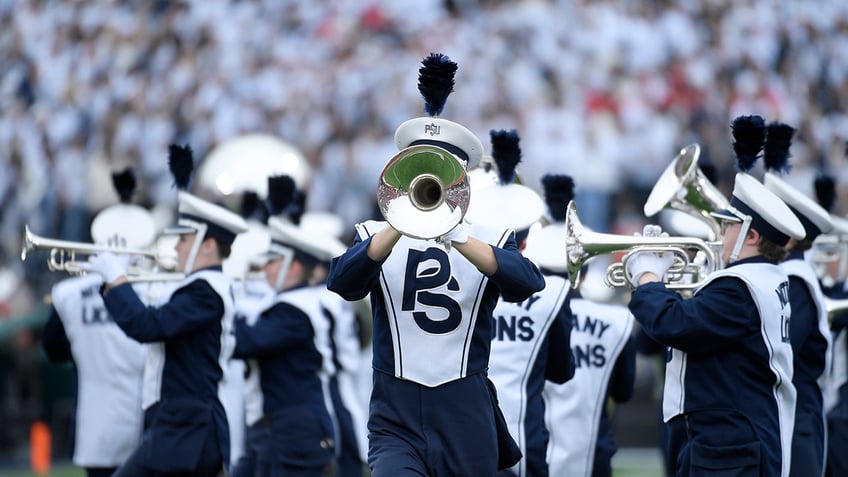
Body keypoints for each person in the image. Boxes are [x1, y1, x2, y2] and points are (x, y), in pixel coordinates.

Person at [326, 53, 545, 477]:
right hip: (396, 414)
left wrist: (458, 234)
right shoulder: (374, 231)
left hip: (465, 411)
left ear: (461, 178)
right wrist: (399, 220)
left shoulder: (491, 236)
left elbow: (526, 283)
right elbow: (342, 282)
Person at [626, 165, 805, 476]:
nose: (720, 233)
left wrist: (647, 276)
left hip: (730, 448)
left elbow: (673, 324)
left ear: (751, 235)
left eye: (729, 226)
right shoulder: (762, 279)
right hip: (732, 442)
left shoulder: (741, 287)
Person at [83, 144, 249, 477]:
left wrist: (117, 279)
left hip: (188, 432)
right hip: (182, 430)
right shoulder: (199, 290)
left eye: (184, 239)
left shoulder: (205, 292)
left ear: (209, 245)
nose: (175, 246)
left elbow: (146, 326)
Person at [465, 132, 573, 477]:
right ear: (527, 236)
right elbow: (562, 371)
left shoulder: (448, 276)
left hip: (456, 426)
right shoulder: (552, 292)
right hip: (523, 437)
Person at [41, 168, 153, 477]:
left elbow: (53, 349)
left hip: (94, 425)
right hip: (147, 424)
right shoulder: (158, 288)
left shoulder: (68, 292)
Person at [523, 173, 636, 477]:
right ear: (583, 273)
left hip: (528, 453)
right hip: (593, 457)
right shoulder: (618, 320)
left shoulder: (509, 316)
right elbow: (624, 393)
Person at [230, 178, 336, 477]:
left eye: (273, 262)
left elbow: (244, 342)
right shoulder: (285, 304)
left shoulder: (296, 311)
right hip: (273, 430)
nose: (264, 268)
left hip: (294, 434)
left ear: (293, 267)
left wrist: (227, 302)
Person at [761, 121, 834, 477]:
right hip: (784, 419)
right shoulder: (784, 277)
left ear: (788, 237)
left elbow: (778, 350)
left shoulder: (797, 282)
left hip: (797, 424)